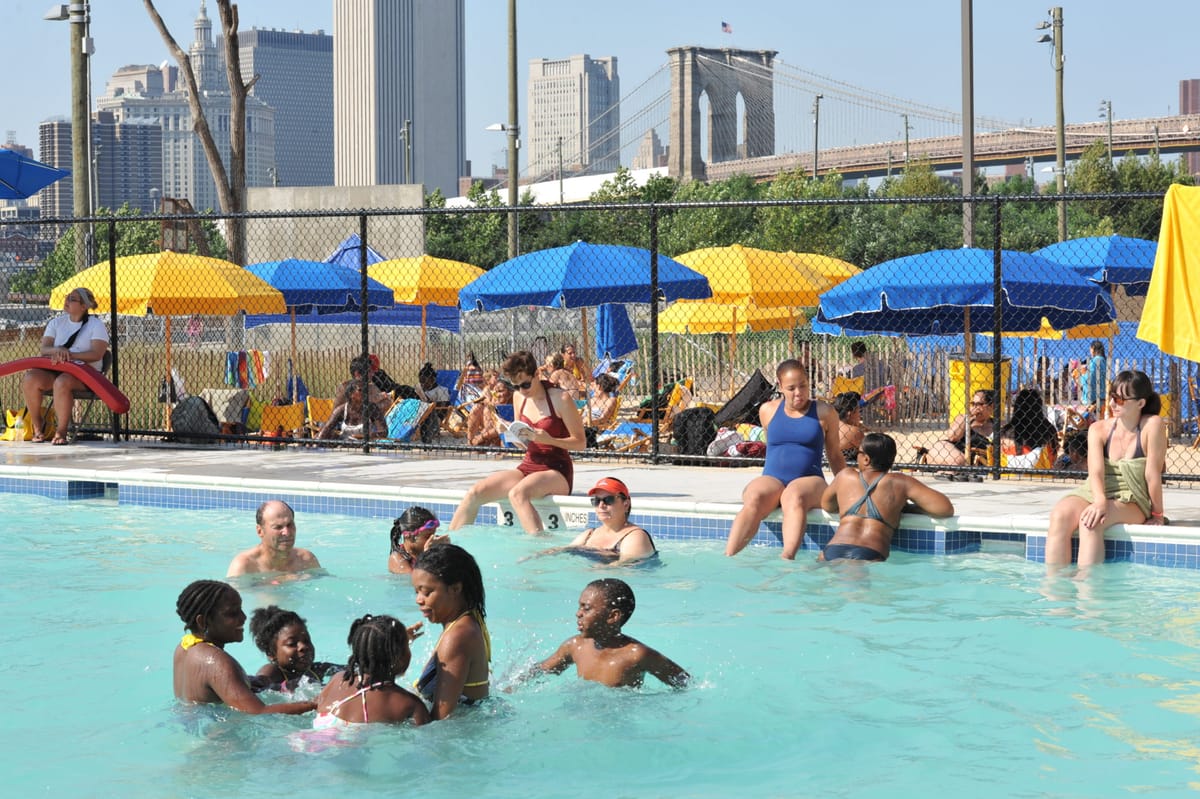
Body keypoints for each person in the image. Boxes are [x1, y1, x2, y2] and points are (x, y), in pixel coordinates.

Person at [449, 350, 586, 534]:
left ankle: (538, 551)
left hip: (557, 470)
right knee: (475, 493)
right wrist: (509, 434)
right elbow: (524, 443)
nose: (522, 390)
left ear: (537, 374)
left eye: (526, 384)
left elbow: (581, 443)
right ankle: (450, 544)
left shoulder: (560, 398)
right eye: (516, 386)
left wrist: (549, 439)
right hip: (529, 465)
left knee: (518, 494)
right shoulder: (519, 397)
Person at [1045, 370, 1167, 568]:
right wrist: (1100, 500)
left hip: (1131, 497)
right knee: (1059, 515)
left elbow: (1152, 474)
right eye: (1111, 397)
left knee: (1091, 523)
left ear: (1140, 403)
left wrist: (1157, 515)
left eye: (1119, 399)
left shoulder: (1152, 425)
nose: (1111, 404)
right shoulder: (1098, 429)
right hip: (1096, 491)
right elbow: (1096, 472)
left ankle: (1088, 591)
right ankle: (1055, 589)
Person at [725, 359, 845, 560]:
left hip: (810, 482)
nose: (798, 392)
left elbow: (834, 454)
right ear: (780, 387)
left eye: (803, 385)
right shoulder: (767, 411)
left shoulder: (824, 412)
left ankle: (787, 558)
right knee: (754, 496)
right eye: (791, 388)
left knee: (793, 496)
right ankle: (728, 557)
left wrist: (846, 486)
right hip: (774, 479)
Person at [172, 579, 315, 715]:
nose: (243, 617)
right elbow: (258, 712)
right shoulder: (217, 662)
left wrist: (246, 681)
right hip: (220, 738)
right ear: (203, 621)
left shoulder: (184, 647)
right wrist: (315, 704)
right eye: (232, 613)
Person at [530, 578, 689, 689]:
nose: (578, 614)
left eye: (586, 608)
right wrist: (509, 689)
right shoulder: (574, 646)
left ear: (613, 616)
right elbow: (540, 671)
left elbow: (685, 683)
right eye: (579, 607)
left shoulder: (637, 654)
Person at [820, 433, 955, 562]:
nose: (856, 456)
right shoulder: (900, 482)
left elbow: (827, 505)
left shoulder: (845, 476)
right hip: (870, 552)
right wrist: (909, 509)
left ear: (866, 459)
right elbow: (945, 509)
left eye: (858, 453)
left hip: (833, 549)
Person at [20, 286, 109, 445]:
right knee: (30, 378)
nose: (67, 301)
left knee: (62, 382)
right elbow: (44, 349)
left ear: (84, 306)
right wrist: (58, 350)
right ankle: (38, 426)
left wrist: (69, 355)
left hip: (86, 375)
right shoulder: (56, 323)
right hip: (56, 370)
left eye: (72, 299)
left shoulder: (96, 325)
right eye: (67, 297)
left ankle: (61, 431)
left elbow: (97, 354)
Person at [410, 544, 490, 719]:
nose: (418, 600)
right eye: (416, 592)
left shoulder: (457, 636)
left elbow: (440, 719)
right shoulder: (465, 619)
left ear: (455, 589)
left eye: (426, 592)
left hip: (463, 732)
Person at [312, 614, 430, 727]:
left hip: (308, 739)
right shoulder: (410, 704)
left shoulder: (338, 679)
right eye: (407, 647)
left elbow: (315, 705)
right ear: (399, 658)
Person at [561, 477, 657, 564]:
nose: (601, 505)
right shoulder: (589, 534)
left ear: (626, 504)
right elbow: (561, 552)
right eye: (596, 500)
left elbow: (623, 567)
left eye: (609, 500)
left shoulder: (635, 536)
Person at [248, 605, 342, 693]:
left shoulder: (316, 669)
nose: (303, 646)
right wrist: (287, 686)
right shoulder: (273, 671)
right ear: (271, 654)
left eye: (306, 640)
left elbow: (351, 669)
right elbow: (257, 686)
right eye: (292, 644)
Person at [226, 500, 321, 578]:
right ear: (260, 531)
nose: (286, 532)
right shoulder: (245, 566)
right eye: (278, 527)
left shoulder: (306, 559)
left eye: (290, 525)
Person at [922, 389, 997, 467]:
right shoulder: (963, 418)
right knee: (958, 460)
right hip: (951, 450)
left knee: (958, 463)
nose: (975, 407)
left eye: (979, 404)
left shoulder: (996, 425)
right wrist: (968, 417)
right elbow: (952, 437)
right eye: (973, 404)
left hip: (974, 458)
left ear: (991, 406)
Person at [1000, 388, 1059, 467]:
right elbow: (1054, 456)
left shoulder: (1006, 431)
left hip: (1008, 473)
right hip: (1042, 472)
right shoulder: (1049, 430)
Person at [388, 506, 449, 574]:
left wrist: (446, 553)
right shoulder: (397, 558)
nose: (433, 539)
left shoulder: (421, 553)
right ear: (408, 536)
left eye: (434, 534)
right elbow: (417, 580)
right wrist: (428, 554)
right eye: (427, 536)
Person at [318, 381, 386, 440]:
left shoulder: (371, 408)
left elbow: (383, 431)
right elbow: (327, 427)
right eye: (360, 390)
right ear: (351, 394)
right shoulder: (342, 409)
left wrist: (368, 437)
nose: (365, 392)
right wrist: (318, 439)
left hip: (365, 445)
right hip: (345, 444)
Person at [333, 356, 393, 420]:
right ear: (357, 374)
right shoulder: (344, 388)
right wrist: (377, 398)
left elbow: (388, 402)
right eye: (369, 371)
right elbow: (339, 413)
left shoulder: (372, 387)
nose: (372, 374)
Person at [466, 379, 512, 448]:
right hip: (492, 428)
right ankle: (470, 442)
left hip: (507, 433)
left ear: (510, 392)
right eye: (495, 392)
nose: (497, 395)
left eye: (500, 391)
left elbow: (504, 426)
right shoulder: (493, 396)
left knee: (488, 411)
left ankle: (480, 441)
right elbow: (491, 416)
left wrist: (482, 436)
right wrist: (491, 403)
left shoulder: (515, 401)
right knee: (477, 408)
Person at [414, 362, 451, 443]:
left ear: (433, 379)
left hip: (434, 417)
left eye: (425, 382)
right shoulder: (420, 389)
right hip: (419, 412)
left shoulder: (441, 390)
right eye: (421, 382)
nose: (423, 385)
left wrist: (427, 402)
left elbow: (442, 410)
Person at [834, 391, 866, 463]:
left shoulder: (830, 426)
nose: (860, 415)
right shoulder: (854, 431)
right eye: (859, 411)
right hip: (846, 469)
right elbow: (868, 453)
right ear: (849, 414)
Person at [1079, 341, 1108, 409]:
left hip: (1092, 397)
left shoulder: (1094, 361)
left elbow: (1089, 378)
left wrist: (1082, 375)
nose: (1090, 352)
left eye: (1090, 349)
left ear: (1093, 348)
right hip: (1102, 395)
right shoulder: (1104, 361)